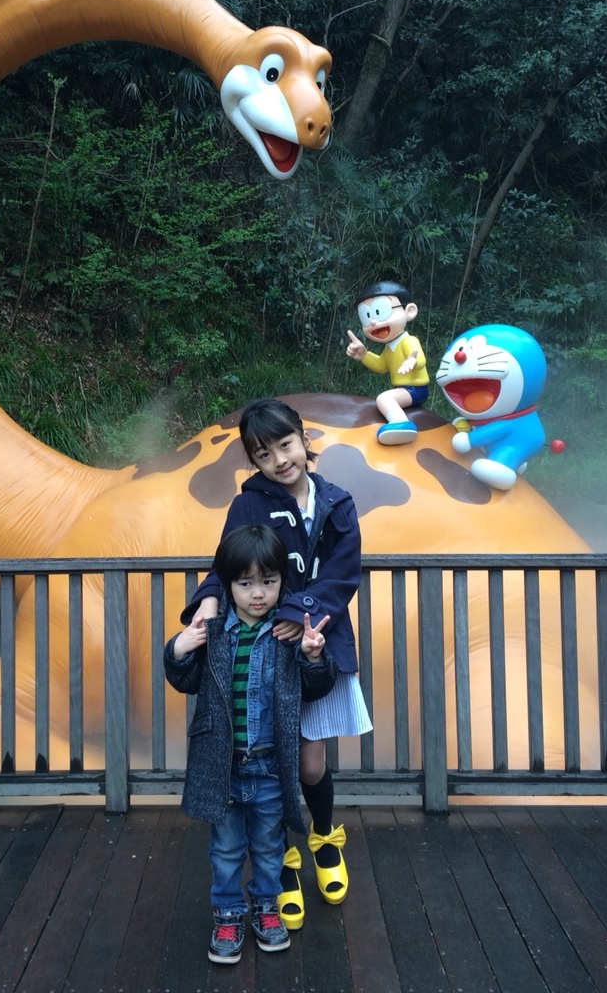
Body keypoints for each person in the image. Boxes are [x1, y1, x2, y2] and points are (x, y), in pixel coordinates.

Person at [183, 397, 370, 929]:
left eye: (285, 445)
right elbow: (225, 564)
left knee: (308, 765)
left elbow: (342, 575)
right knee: (273, 763)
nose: (279, 461)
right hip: (264, 650)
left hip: (314, 643)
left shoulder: (337, 503)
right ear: (254, 460)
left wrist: (298, 611)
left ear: (303, 439)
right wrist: (208, 602)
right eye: (263, 454)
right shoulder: (249, 504)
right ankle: (282, 861)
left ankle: (323, 838)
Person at [164, 523, 337, 965]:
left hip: (270, 765)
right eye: (245, 584)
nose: (258, 594)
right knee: (224, 848)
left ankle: (266, 907)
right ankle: (227, 913)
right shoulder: (215, 630)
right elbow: (184, 679)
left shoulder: (287, 631)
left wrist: (315, 656)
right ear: (227, 584)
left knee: (268, 845)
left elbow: (316, 686)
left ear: (282, 581)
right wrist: (180, 647)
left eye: (268, 582)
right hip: (223, 765)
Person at [345, 280, 429, 444]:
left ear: (409, 311)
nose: (373, 322)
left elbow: (419, 357)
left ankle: (401, 423)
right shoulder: (389, 347)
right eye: (366, 316)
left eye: (380, 311)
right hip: (404, 389)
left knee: (384, 399)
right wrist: (364, 355)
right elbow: (381, 366)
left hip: (416, 389)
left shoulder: (408, 341)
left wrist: (412, 360)